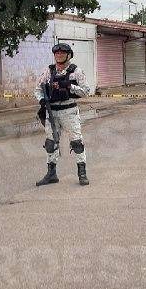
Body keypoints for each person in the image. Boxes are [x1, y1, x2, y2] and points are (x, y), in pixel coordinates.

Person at [34, 43, 90, 187]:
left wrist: (69, 86)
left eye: (62, 53)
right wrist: (41, 100)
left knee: (77, 143)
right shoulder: (49, 71)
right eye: (56, 53)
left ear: (68, 55)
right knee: (50, 143)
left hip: (69, 112)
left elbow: (86, 91)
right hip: (51, 112)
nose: (58, 55)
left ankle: (82, 173)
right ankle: (51, 174)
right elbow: (38, 89)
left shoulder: (75, 71)